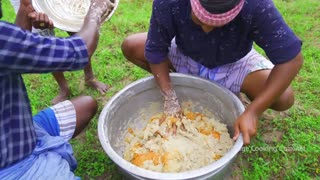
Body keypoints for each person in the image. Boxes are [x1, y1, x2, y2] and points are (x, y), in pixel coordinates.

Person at [121, 0, 303, 145]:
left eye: (218, 25)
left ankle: (230, 90)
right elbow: (156, 49)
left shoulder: (256, 6)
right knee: (132, 46)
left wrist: (254, 112)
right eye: (199, 21)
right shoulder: (169, 3)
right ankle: (183, 80)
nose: (207, 29)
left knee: (284, 97)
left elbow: (292, 59)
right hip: (186, 54)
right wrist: (170, 99)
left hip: (235, 62)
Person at [0, 0, 111, 178]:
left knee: (87, 104)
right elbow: (78, 50)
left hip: (22, 130)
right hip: (12, 164)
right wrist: (94, 13)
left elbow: (15, 50)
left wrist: (25, 13)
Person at [9, 0, 110, 105]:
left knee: (77, 29)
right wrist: (28, 7)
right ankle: (64, 88)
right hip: (27, 3)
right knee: (46, 45)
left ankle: (89, 77)